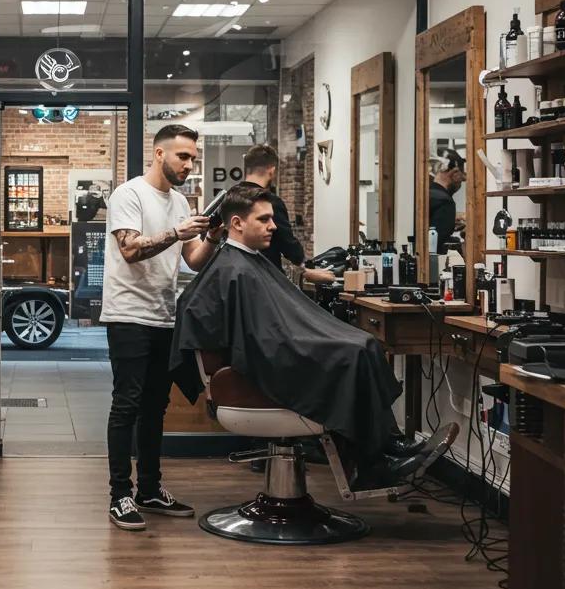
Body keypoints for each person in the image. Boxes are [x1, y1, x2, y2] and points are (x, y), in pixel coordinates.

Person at [169, 183, 455, 491]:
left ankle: (387, 445)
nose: (273, 226)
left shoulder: (245, 262)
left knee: (363, 345)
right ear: (237, 224)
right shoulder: (234, 269)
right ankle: (374, 462)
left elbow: (270, 328)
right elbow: (260, 338)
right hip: (259, 369)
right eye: (263, 219)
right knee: (354, 351)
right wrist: (320, 342)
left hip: (270, 355)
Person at [101, 124, 224, 531]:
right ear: (159, 153)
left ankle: (149, 489)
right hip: (127, 315)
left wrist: (212, 238)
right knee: (127, 404)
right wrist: (176, 232)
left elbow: (192, 259)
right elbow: (130, 249)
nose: (190, 165)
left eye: (193, 158)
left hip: (163, 315)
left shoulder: (181, 201)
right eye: (183, 157)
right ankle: (120, 494)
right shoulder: (129, 194)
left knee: (155, 407)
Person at [243, 144, 334, 285]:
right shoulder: (270, 202)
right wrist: (303, 266)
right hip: (266, 278)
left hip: (237, 275)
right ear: (272, 170)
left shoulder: (229, 199)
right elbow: (287, 243)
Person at [429, 150, 466, 251]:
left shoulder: (426, 195)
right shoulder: (445, 202)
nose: (463, 180)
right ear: (455, 172)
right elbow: (438, 242)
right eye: (462, 174)